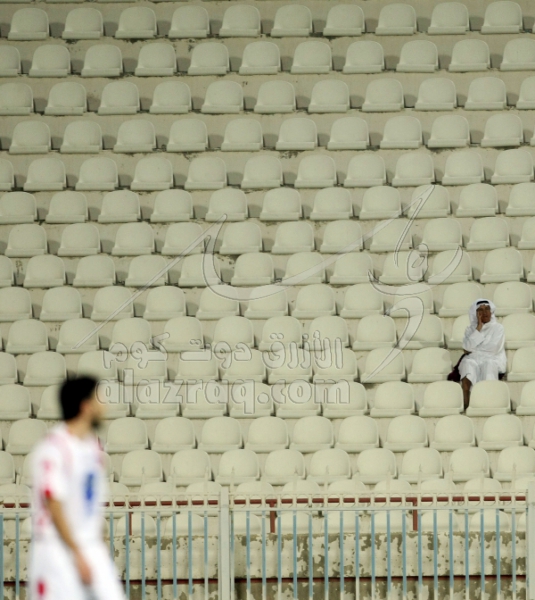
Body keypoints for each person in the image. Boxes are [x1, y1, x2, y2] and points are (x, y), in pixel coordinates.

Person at [29, 377, 126, 600]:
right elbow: (54, 503)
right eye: (99, 399)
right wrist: (76, 551)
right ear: (86, 406)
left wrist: (97, 542)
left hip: (90, 546)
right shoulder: (53, 448)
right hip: (58, 550)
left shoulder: (93, 447)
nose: (104, 405)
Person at [459, 299, 506, 410]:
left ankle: (489, 402)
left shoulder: (498, 328)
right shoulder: (470, 329)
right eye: (480, 310)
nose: (485, 312)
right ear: (475, 313)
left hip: (492, 358)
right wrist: (478, 328)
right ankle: (467, 404)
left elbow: (493, 349)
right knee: (467, 363)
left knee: (488, 364)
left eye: (487, 309)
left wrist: (473, 349)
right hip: (473, 359)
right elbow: (466, 348)